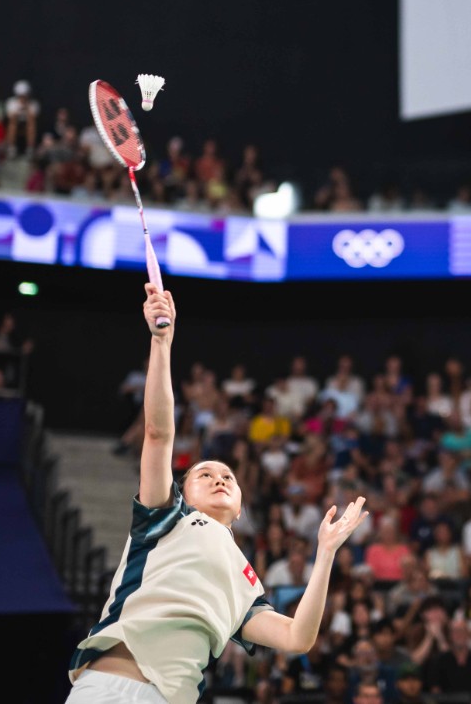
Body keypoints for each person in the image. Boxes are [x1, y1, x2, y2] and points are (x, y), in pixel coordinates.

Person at [67, 286, 371, 703]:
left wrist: (326, 553)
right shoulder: (165, 517)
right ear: (182, 493)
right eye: (204, 474)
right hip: (112, 690)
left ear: (241, 507)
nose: (219, 479)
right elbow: (157, 434)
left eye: (228, 476)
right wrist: (161, 343)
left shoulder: (245, 580)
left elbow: (297, 637)